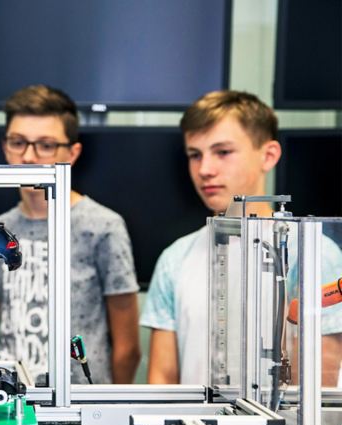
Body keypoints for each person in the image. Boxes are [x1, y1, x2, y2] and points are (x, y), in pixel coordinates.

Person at [142, 90, 342, 386]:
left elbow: (321, 383)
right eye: (195, 155)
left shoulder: (312, 253)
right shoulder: (176, 258)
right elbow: (162, 379)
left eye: (222, 152)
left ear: (269, 155)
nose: (205, 170)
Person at [0, 85, 141, 384]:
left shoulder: (103, 227)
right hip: (14, 403)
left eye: (45, 145)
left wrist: (106, 410)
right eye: (18, 142)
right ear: (5, 147)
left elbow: (127, 348)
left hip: (82, 410)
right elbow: (7, 317)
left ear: (72, 153)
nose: (28, 157)